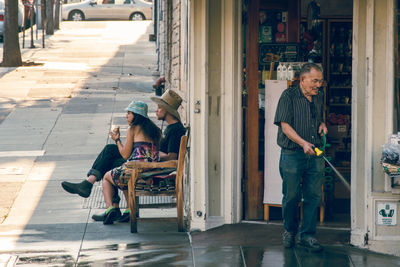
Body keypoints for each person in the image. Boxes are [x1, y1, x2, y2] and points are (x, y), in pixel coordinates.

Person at [61, 89, 186, 222]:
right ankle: (121, 207)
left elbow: (171, 157)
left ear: (167, 110)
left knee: (109, 169)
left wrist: (118, 140)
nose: (156, 110)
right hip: (147, 163)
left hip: (147, 166)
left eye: (159, 107)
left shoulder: (175, 130)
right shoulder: (159, 129)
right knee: (110, 152)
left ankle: (111, 206)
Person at [274, 63, 327, 252]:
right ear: (302, 79)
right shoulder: (288, 96)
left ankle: (308, 236)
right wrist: (303, 143)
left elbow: (317, 117)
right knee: (291, 196)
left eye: (320, 81)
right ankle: (289, 231)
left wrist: (322, 124)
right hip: (292, 154)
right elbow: (284, 125)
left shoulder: (318, 96)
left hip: (316, 154)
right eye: (315, 81)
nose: (318, 85)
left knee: (313, 196)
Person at [100, 100, 161, 224]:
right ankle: (128, 210)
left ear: (136, 115)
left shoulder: (133, 129)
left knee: (106, 177)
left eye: (129, 113)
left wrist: (117, 140)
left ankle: (110, 208)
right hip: (151, 171)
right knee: (122, 170)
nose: (126, 116)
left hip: (137, 172)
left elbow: (125, 154)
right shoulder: (155, 130)